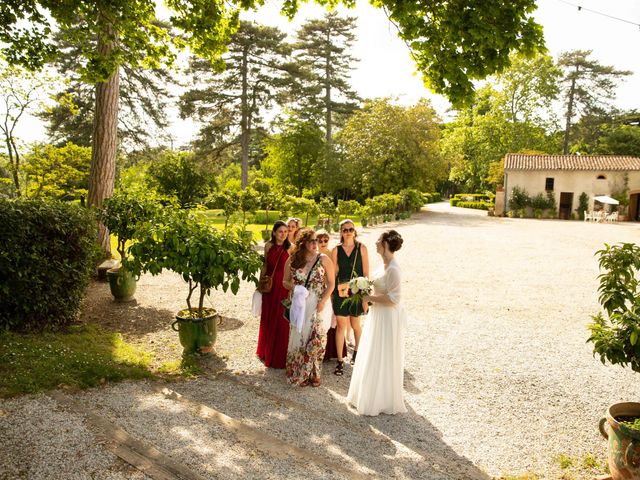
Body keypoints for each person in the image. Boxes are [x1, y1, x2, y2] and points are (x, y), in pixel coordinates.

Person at [347, 230, 407, 416]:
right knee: (373, 351)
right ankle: (367, 393)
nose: (375, 243)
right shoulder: (383, 265)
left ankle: (382, 399)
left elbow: (394, 298)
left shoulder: (394, 269)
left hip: (388, 317)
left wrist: (368, 296)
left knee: (383, 353)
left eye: (379, 240)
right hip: (377, 314)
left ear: (386, 244)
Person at [283, 228, 335, 387]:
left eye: (316, 240)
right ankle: (300, 373)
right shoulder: (293, 259)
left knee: (317, 339)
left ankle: (314, 372)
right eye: (311, 240)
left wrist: (323, 301)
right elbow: (284, 281)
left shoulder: (324, 259)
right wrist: (295, 287)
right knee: (299, 338)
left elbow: (331, 283)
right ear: (303, 243)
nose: (315, 243)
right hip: (299, 305)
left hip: (318, 305)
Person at [331, 219, 369, 376]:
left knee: (355, 325)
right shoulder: (336, 250)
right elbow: (333, 273)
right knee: (341, 326)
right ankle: (340, 360)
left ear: (354, 231)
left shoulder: (362, 248)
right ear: (340, 232)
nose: (348, 232)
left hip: (356, 292)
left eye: (350, 229)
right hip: (340, 292)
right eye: (345, 230)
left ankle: (357, 352)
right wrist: (332, 294)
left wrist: (366, 296)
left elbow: (366, 273)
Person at [256, 221, 291, 368]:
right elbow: (264, 265)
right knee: (268, 318)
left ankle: (279, 355)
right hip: (270, 287)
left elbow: (293, 270)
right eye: (280, 231)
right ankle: (266, 351)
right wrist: (260, 283)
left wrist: (291, 289)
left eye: (285, 231)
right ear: (274, 232)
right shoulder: (268, 246)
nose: (283, 234)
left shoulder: (291, 248)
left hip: (283, 287)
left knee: (281, 319)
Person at [316, 229, 346, 363]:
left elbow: (336, 273)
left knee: (330, 319)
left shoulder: (330, 255)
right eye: (320, 240)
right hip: (315, 289)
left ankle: (329, 352)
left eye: (325, 240)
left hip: (329, 289)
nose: (323, 243)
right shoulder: (312, 255)